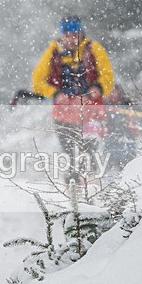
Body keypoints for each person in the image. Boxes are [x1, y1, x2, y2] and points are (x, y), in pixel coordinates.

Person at [31, 16, 114, 182]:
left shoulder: (93, 49)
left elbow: (108, 77)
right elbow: (37, 81)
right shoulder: (53, 52)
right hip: (64, 114)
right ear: (63, 35)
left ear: (80, 33)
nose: (71, 39)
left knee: (89, 153)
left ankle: (91, 184)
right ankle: (73, 186)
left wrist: (98, 88)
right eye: (67, 35)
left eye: (75, 35)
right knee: (70, 155)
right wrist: (55, 93)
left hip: (91, 112)